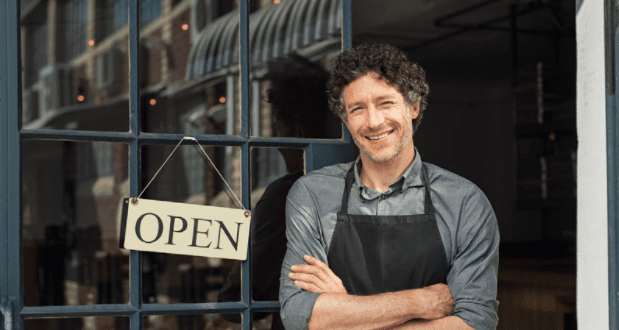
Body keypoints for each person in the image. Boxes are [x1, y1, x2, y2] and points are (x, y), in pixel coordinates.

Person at [279, 43, 500, 330]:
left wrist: (344, 313)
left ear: (413, 106)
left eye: (385, 103)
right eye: (357, 109)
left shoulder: (464, 202)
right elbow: (299, 314)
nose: (373, 121)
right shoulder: (312, 195)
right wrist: (419, 302)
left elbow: (475, 323)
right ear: (345, 121)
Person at [217, 55, 340, 329]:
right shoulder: (367, 185)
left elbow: (242, 298)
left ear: (292, 132)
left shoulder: (287, 196)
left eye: (275, 125)